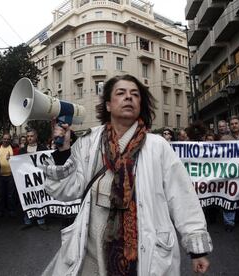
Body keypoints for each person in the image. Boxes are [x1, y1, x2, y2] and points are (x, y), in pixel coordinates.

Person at [41, 75, 212, 275]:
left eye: (135, 94)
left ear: (141, 104)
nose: (128, 97)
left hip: (144, 250)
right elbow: (68, 190)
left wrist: (196, 250)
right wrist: (64, 150)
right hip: (91, 251)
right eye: (121, 93)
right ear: (107, 105)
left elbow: (182, 196)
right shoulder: (89, 142)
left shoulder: (158, 146)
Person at [19, 129, 49, 230]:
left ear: (36, 137)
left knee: (39, 198)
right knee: (27, 198)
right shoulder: (22, 150)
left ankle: (41, 221)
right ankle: (27, 220)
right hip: (27, 180)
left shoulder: (42, 148)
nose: (29, 138)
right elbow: (18, 163)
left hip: (38, 179)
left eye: (31, 136)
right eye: (28, 136)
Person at [0, 132, 17, 217]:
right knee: (1, 194)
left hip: (11, 175)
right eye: (4, 139)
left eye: (8, 139)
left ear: (10, 140)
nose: (6, 140)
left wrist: (12, 159)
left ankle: (12, 210)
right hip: (0, 175)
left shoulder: (14, 148)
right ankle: (1, 210)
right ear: (2, 139)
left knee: (11, 194)